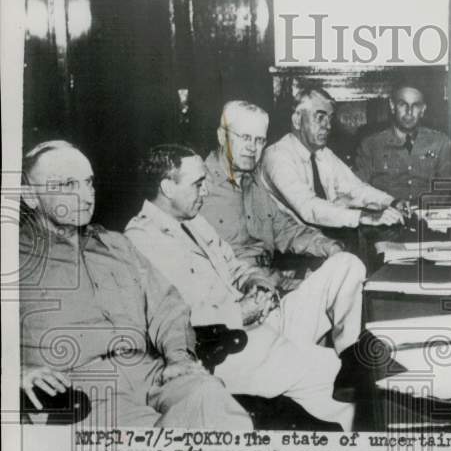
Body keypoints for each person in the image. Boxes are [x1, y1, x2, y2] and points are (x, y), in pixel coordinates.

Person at [125, 145, 363, 428]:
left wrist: (257, 283)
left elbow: (234, 264)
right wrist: (239, 313)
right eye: (198, 184)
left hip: (257, 320)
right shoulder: (143, 238)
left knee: (346, 265)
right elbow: (174, 317)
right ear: (167, 187)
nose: (205, 192)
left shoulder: (194, 221)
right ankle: (350, 437)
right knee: (325, 369)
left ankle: (348, 358)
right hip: (220, 346)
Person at [19, 141, 251, 428]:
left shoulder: (116, 245)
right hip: (78, 390)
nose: (86, 195)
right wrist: (16, 371)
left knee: (217, 406)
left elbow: (167, 305)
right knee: (162, 448)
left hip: (150, 371)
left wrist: (179, 356)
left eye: (88, 182)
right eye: (67, 184)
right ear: (30, 195)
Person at [201, 100, 346, 267]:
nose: (252, 148)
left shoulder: (256, 183)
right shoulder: (198, 187)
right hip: (234, 287)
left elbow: (285, 230)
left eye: (259, 140)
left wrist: (329, 246)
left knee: (349, 268)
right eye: (245, 137)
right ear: (221, 136)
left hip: (272, 279)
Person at [260, 86, 405, 230]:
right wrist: (363, 217)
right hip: (289, 246)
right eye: (320, 117)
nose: (328, 126)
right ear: (297, 120)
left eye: (330, 119)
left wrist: (391, 202)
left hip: (322, 238)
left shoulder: (322, 153)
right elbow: (309, 207)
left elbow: (356, 188)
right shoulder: (277, 156)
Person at [353, 83, 451, 205]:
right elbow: (357, 188)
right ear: (392, 106)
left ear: (423, 109)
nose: (409, 112)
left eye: (415, 106)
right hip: (386, 216)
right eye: (403, 104)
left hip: (426, 215)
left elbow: (446, 189)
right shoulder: (371, 144)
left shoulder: (440, 142)